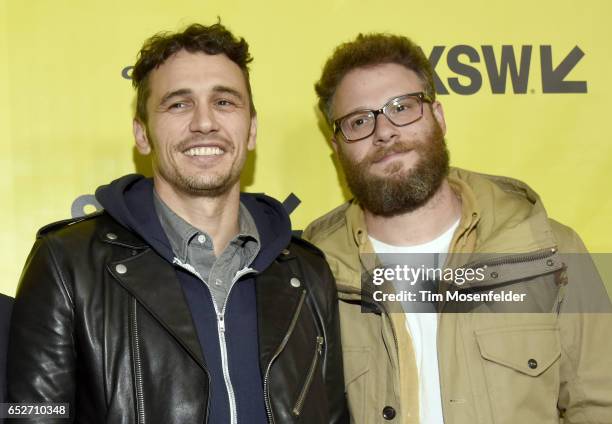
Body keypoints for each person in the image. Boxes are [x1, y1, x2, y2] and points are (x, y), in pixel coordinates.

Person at [8, 23, 347, 424]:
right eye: (178, 104)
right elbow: (29, 416)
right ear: (142, 134)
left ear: (252, 129)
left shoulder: (307, 270)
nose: (204, 123)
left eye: (224, 102)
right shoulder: (67, 263)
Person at [303, 33, 612, 424]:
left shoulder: (550, 252)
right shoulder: (309, 274)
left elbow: (600, 406)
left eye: (402, 107)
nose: (384, 132)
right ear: (337, 146)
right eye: (359, 120)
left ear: (439, 116)